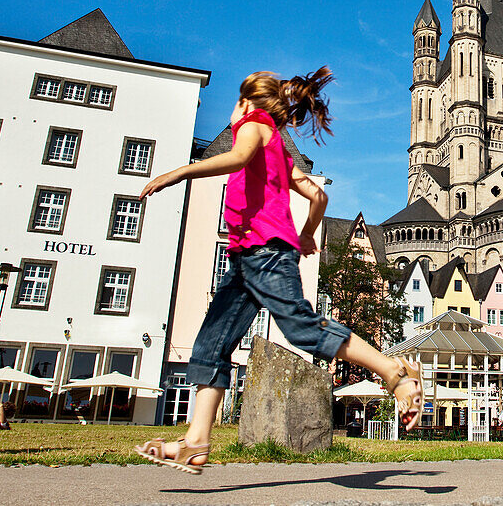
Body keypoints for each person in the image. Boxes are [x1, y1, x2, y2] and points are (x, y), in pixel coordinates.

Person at [134, 68, 422, 474]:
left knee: (301, 327)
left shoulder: (254, 126)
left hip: (265, 253)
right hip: (246, 259)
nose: (234, 111)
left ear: (247, 103)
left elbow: (238, 158)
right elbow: (317, 194)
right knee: (211, 345)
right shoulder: (279, 150)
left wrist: (178, 172)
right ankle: (196, 442)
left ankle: (395, 372)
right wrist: (305, 233)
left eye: (237, 103)